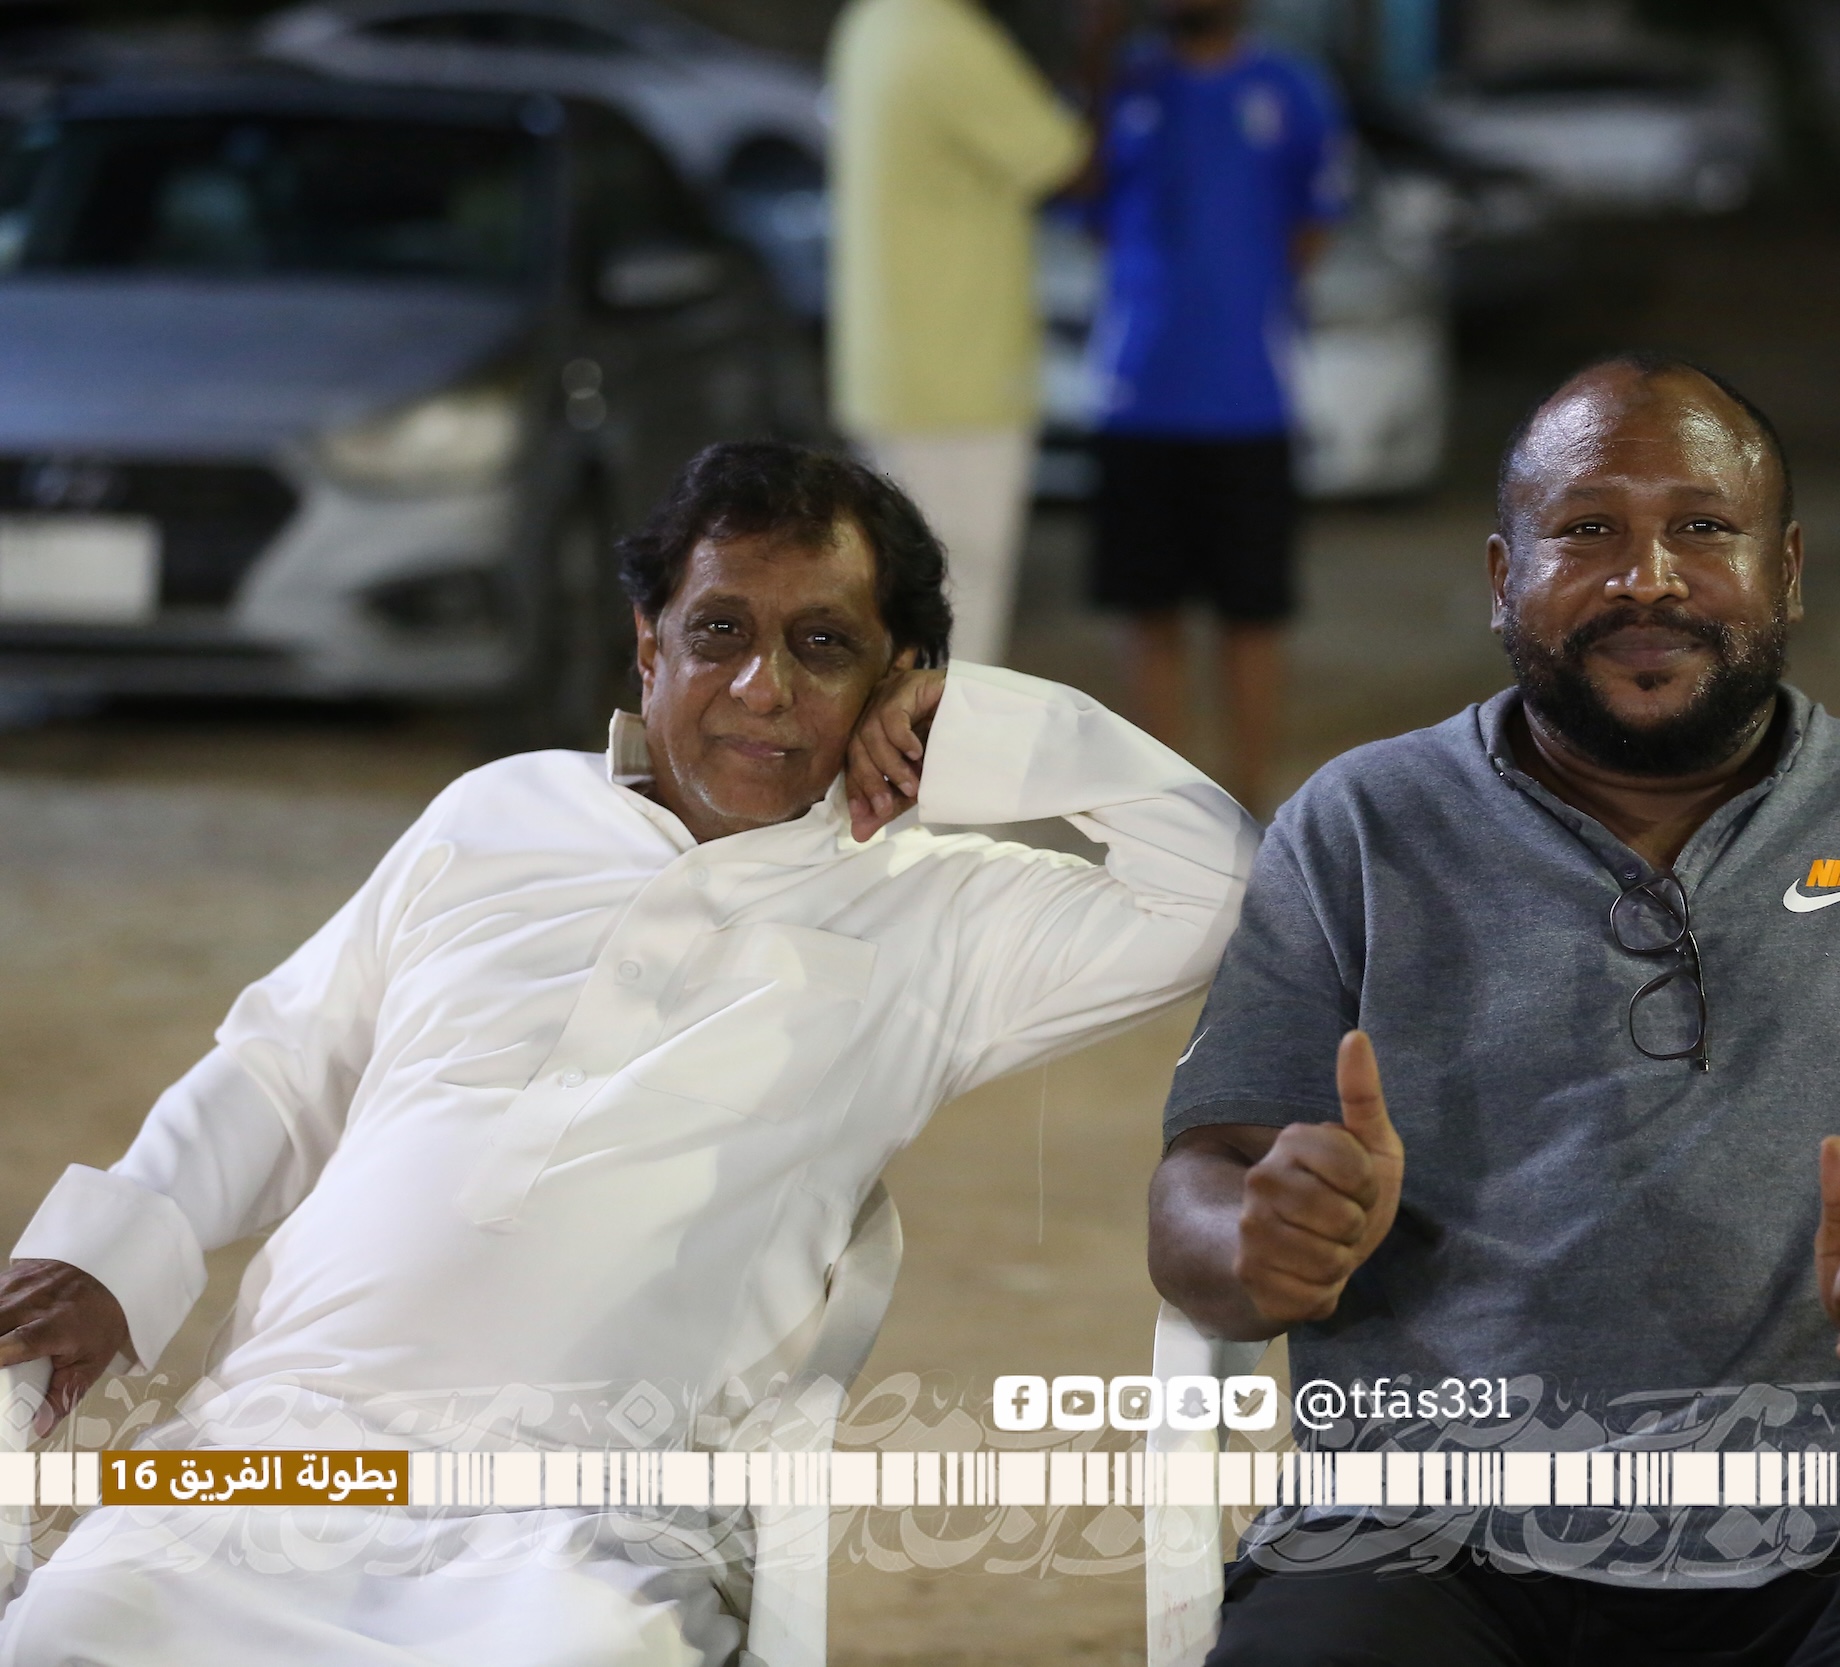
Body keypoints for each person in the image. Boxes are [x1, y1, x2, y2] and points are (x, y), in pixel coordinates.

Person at [0, 442, 1258, 1666]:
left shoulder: (945, 909)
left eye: (824, 644)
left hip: (587, 1509)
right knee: (69, 1629)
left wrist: (977, 722)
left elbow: (1221, 884)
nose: (762, 685)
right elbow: (287, 1065)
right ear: (650, 645)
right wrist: (113, 1249)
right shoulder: (499, 812)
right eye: (719, 631)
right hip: (282, 1450)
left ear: (898, 679)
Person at [1145, 355, 1840, 1664]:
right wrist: (1257, 1238)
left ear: (1787, 568)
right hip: (1419, 1534)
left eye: (1704, 527)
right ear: (1503, 575)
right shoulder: (1362, 822)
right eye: (1586, 530)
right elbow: (1201, 1180)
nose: (1648, 578)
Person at [1084, 0, 1347, 814]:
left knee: (1252, 616)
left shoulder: (1291, 90)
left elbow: (1314, 221)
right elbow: (1085, 206)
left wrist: (1241, 296)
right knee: (1148, 615)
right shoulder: (1123, 88)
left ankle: (1249, 812)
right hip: (1138, 400)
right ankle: (1166, 817)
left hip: (1249, 405)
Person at [830, 0, 1089, 666]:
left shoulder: (874, 23)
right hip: (957, 384)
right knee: (955, 637)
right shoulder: (947, 38)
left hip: (895, 373)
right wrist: (1100, 39)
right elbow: (1066, 162)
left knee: (899, 622)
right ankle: (944, 743)